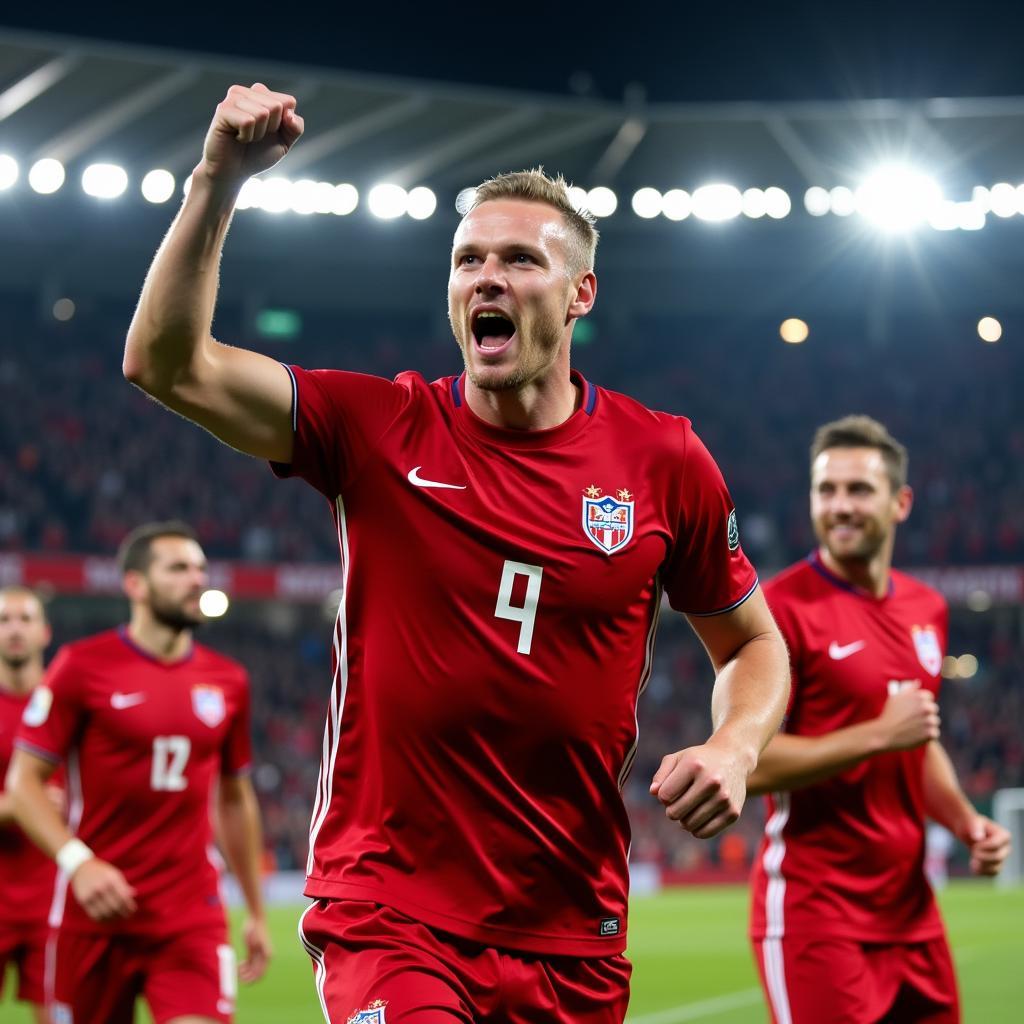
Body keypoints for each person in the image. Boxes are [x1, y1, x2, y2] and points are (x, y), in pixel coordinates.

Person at [121, 83, 790, 1023]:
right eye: (468, 259)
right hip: (392, 912)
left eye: (520, 259)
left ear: (581, 292)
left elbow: (754, 644)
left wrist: (735, 743)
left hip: (571, 926)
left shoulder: (664, 459)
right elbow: (168, 363)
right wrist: (217, 179)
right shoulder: (379, 427)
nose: (487, 278)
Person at [747, 415, 1012, 1024]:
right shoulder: (778, 614)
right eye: (826, 490)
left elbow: (917, 740)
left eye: (858, 490)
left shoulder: (928, 607)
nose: (840, 506)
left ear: (901, 502)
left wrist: (968, 824)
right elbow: (749, 762)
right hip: (819, 917)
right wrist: (877, 735)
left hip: (913, 915)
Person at [7, 522, 272, 1024]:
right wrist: (79, 863)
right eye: (177, 569)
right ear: (135, 585)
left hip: (190, 916)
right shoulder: (81, 667)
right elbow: (23, 784)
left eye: (200, 568)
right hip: (96, 915)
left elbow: (235, 800)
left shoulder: (228, 680)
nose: (196, 579)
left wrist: (256, 912)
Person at [0, 586, 57, 1024]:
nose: (14, 630)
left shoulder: (70, 702)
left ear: (44, 632)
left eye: (24, 619)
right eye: (3, 620)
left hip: (57, 897)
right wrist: (28, 803)